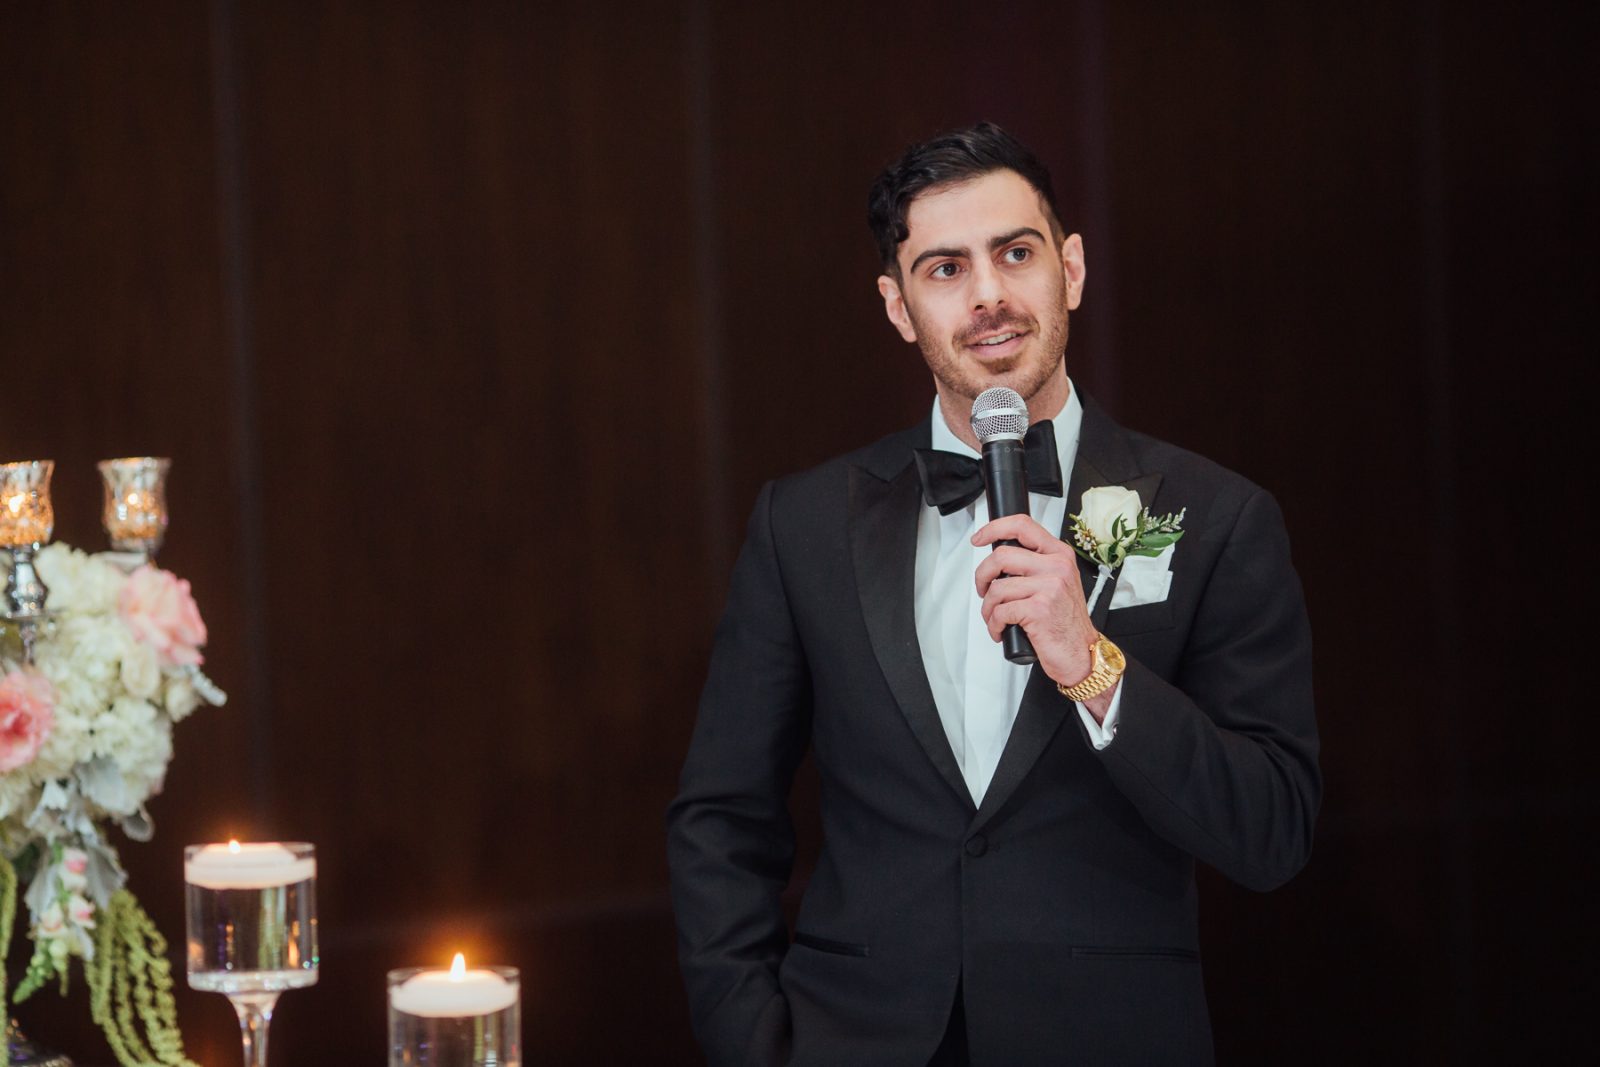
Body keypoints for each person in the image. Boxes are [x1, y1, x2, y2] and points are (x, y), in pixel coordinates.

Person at [666, 121, 1320, 1066]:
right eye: (945, 268)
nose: (989, 295)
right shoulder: (801, 524)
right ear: (898, 307)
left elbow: (1273, 828)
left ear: (1072, 269)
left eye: (1016, 253)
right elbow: (721, 819)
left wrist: (1091, 664)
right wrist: (754, 1043)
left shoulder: (1218, 516)